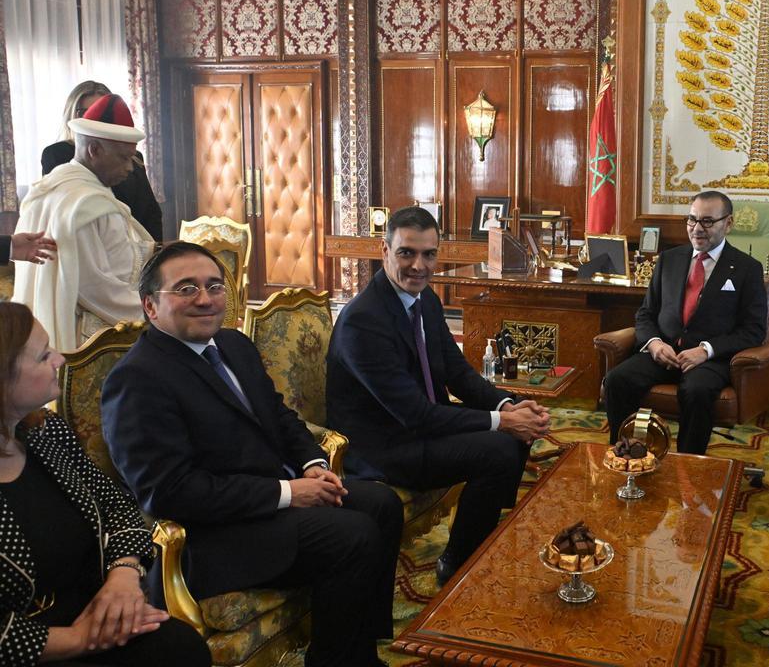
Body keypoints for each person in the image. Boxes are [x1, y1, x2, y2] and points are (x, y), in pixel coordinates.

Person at [101, 242, 403, 667]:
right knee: (352, 534)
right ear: (151, 306)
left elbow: (279, 417)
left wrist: (313, 465)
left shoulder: (232, 345)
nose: (205, 299)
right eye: (186, 289)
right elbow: (169, 492)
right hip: (218, 535)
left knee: (381, 503)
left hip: (271, 501)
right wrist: (287, 493)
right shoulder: (137, 380)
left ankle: (360, 647)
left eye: (213, 286)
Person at [326, 206, 550, 584]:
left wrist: (507, 405)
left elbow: (458, 373)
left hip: (423, 428)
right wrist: (504, 422)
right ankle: (457, 565)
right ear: (385, 251)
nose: (419, 265)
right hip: (385, 448)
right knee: (498, 448)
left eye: (429, 254)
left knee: (512, 430)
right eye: (407, 253)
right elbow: (416, 415)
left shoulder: (425, 300)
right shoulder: (364, 320)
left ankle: (482, 536)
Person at [0, 302, 209, 667]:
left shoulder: (46, 433)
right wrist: (80, 640)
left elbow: (117, 506)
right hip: (34, 649)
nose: (60, 360)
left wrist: (123, 576)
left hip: (95, 612)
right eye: (43, 355)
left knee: (182, 647)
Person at [602, 190, 767, 454]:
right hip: (663, 352)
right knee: (616, 380)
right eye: (691, 220)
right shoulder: (669, 259)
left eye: (707, 221)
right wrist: (654, 344)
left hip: (710, 360)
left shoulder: (747, 268)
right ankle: (626, 453)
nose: (697, 229)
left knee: (696, 391)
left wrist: (706, 350)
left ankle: (688, 466)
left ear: (729, 223)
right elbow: (646, 313)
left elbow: (753, 331)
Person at [12, 95, 156, 351]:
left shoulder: (50, 186)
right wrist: (155, 311)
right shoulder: (88, 205)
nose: (130, 168)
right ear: (94, 150)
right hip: (89, 337)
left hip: (40, 323)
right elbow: (95, 287)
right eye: (124, 158)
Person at [42, 82, 163, 242]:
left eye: (102, 113)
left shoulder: (135, 158)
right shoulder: (57, 154)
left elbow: (149, 211)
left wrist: (154, 253)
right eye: (87, 112)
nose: (96, 120)